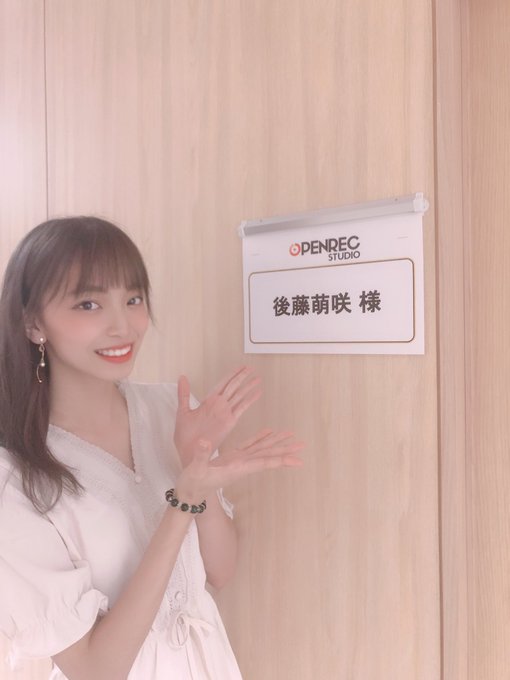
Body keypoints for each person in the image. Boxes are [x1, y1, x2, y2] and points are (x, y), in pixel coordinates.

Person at [0, 216, 303, 680]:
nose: (123, 326)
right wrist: (183, 499)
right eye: (88, 304)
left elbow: (220, 572)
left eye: (134, 298)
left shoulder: (169, 410)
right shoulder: (14, 474)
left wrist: (198, 474)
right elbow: (95, 669)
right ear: (33, 323)